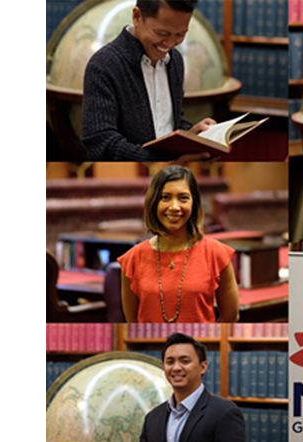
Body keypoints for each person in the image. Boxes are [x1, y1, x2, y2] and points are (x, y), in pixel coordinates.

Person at [81, 0, 216, 162]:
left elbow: (171, 122)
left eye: (180, 34)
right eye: (162, 33)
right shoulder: (103, 65)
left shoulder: (175, 60)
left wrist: (191, 134)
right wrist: (164, 160)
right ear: (137, 17)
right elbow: (101, 143)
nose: (170, 44)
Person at [117, 333, 248, 442]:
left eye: (185, 361)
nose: (176, 368)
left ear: (203, 367)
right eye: (170, 362)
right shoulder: (153, 417)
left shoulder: (224, 413)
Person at [118, 165, 239, 323]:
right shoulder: (132, 258)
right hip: (150, 346)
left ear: (194, 203)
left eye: (183, 198)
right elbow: (132, 322)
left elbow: (230, 317)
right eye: (165, 198)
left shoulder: (216, 253)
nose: (174, 207)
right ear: (154, 202)